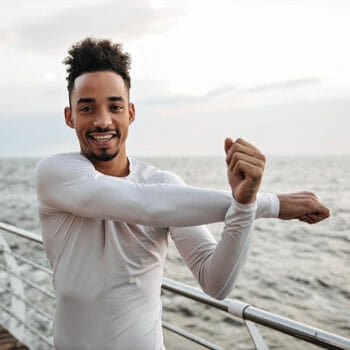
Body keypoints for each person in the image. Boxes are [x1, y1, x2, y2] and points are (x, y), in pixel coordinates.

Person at [35, 38, 330, 350]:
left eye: (115, 106)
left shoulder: (163, 183)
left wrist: (245, 204)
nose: (103, 120)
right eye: (87, 108)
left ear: (131, 113)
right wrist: (274, 204)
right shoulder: (55, 174)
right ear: (70, 117)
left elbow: (216, 283)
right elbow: (143, 204)